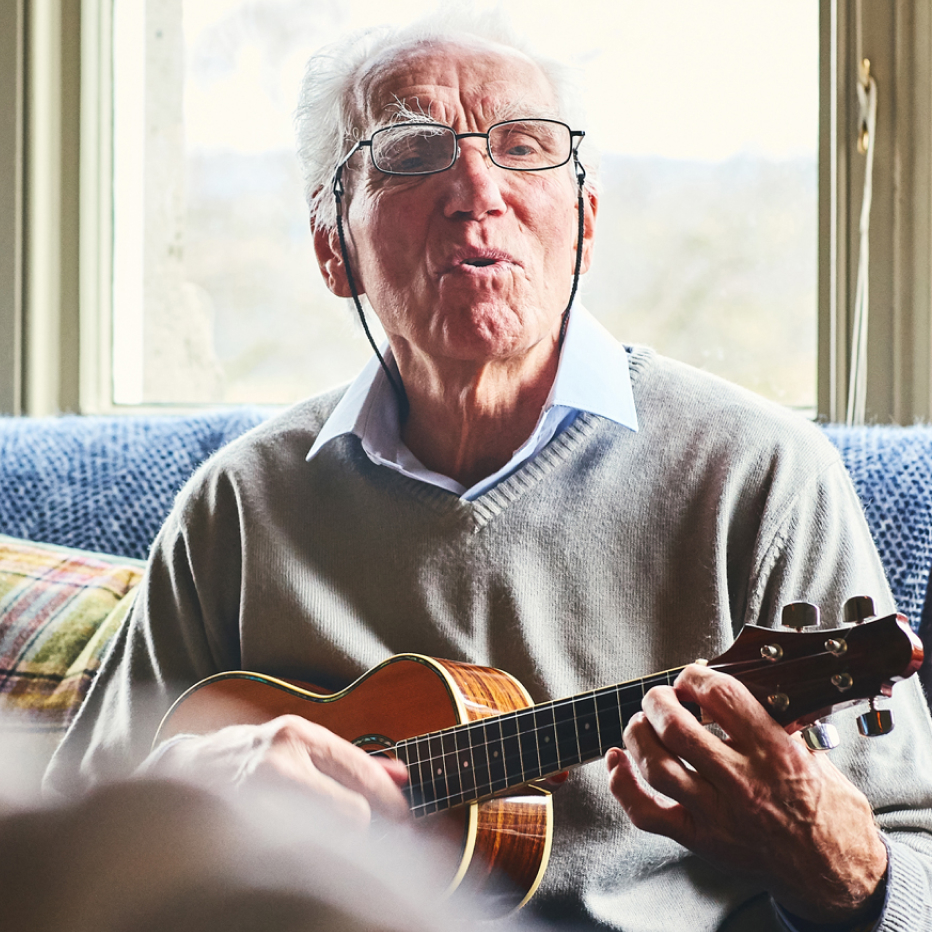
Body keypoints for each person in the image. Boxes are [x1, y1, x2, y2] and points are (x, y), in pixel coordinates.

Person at [45, 9, 932, 931]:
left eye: (523, 146)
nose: (477, 188)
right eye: (412, 150)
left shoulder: (759, 475)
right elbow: (57, 849)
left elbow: (915, 865)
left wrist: (837, 857)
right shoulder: (238, 505)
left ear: (584, 221)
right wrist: (185, 787)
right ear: (331, 247)